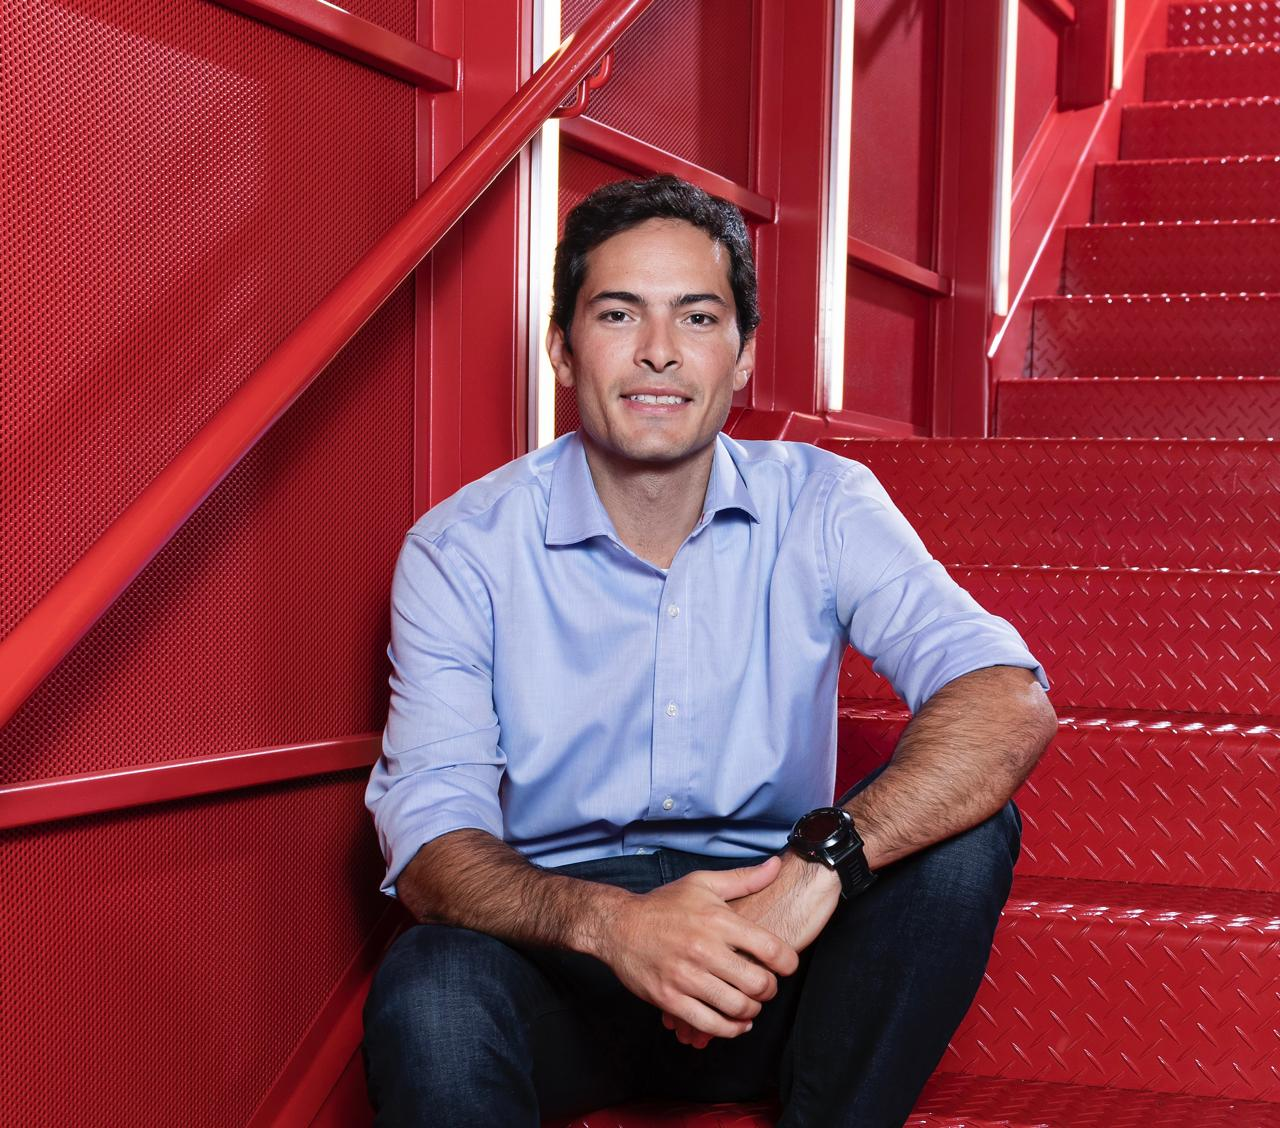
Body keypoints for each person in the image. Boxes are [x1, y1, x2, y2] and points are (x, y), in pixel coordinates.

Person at [362, 175, 1057, 1127]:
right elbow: (433, 846)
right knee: (429, 986)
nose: (659, 350)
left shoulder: (824, 501)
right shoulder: (461, 549)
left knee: (969, 833)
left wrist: (817, 873)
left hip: (776, 943)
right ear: (561, 348)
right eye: (618, 314)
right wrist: (616, 926)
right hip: (570, 955)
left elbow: (1006, 698)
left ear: (743, 356)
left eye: (697, 317)